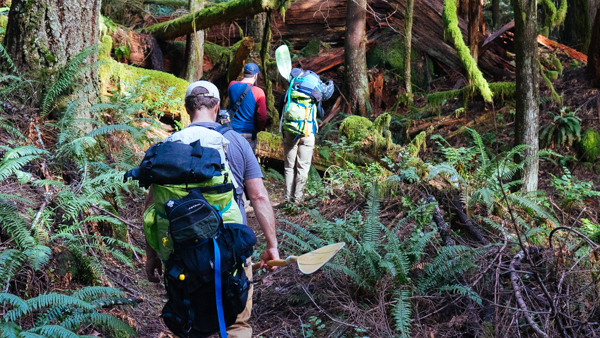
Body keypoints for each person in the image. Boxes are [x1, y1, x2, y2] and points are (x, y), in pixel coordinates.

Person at [144, 80, 280, 338]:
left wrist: (152, 255)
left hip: (180, 254)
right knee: (237, 323)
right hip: (231, 249)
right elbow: (259, 197)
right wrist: (271, 245)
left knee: (191, 322)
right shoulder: (236, 142)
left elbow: (152, 209)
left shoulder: (167, 148)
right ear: (217, 106)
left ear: (186, 108)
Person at [279, 68, 334, 203]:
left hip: (290, 132)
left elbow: (281, 109)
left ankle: (287, 198)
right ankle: (297, 200)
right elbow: (320, 114)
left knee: (289, 166)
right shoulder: (313, 94)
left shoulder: (289, 94)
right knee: (303, 166)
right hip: (307, 132)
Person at [228, 63, 267, 151]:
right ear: (256, 75)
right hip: (248, 133)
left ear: (243, 73)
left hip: (231, 130)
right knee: (247, 162)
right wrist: (258, 128)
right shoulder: (258, 92)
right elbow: (263, 117)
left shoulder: (231, 85)